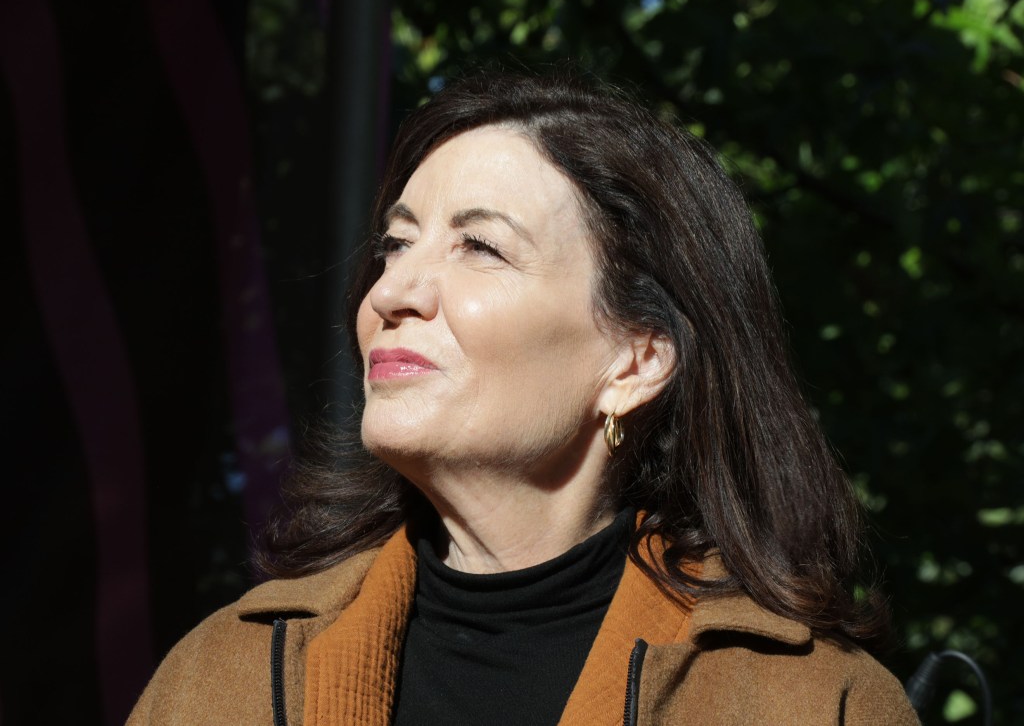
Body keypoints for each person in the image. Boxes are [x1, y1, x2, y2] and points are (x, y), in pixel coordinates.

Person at [128, 69, 920, 725]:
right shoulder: (219, 677)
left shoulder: (816, 703)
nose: (392, 290)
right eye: (395, 245)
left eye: (480, 246)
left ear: (635, 362)